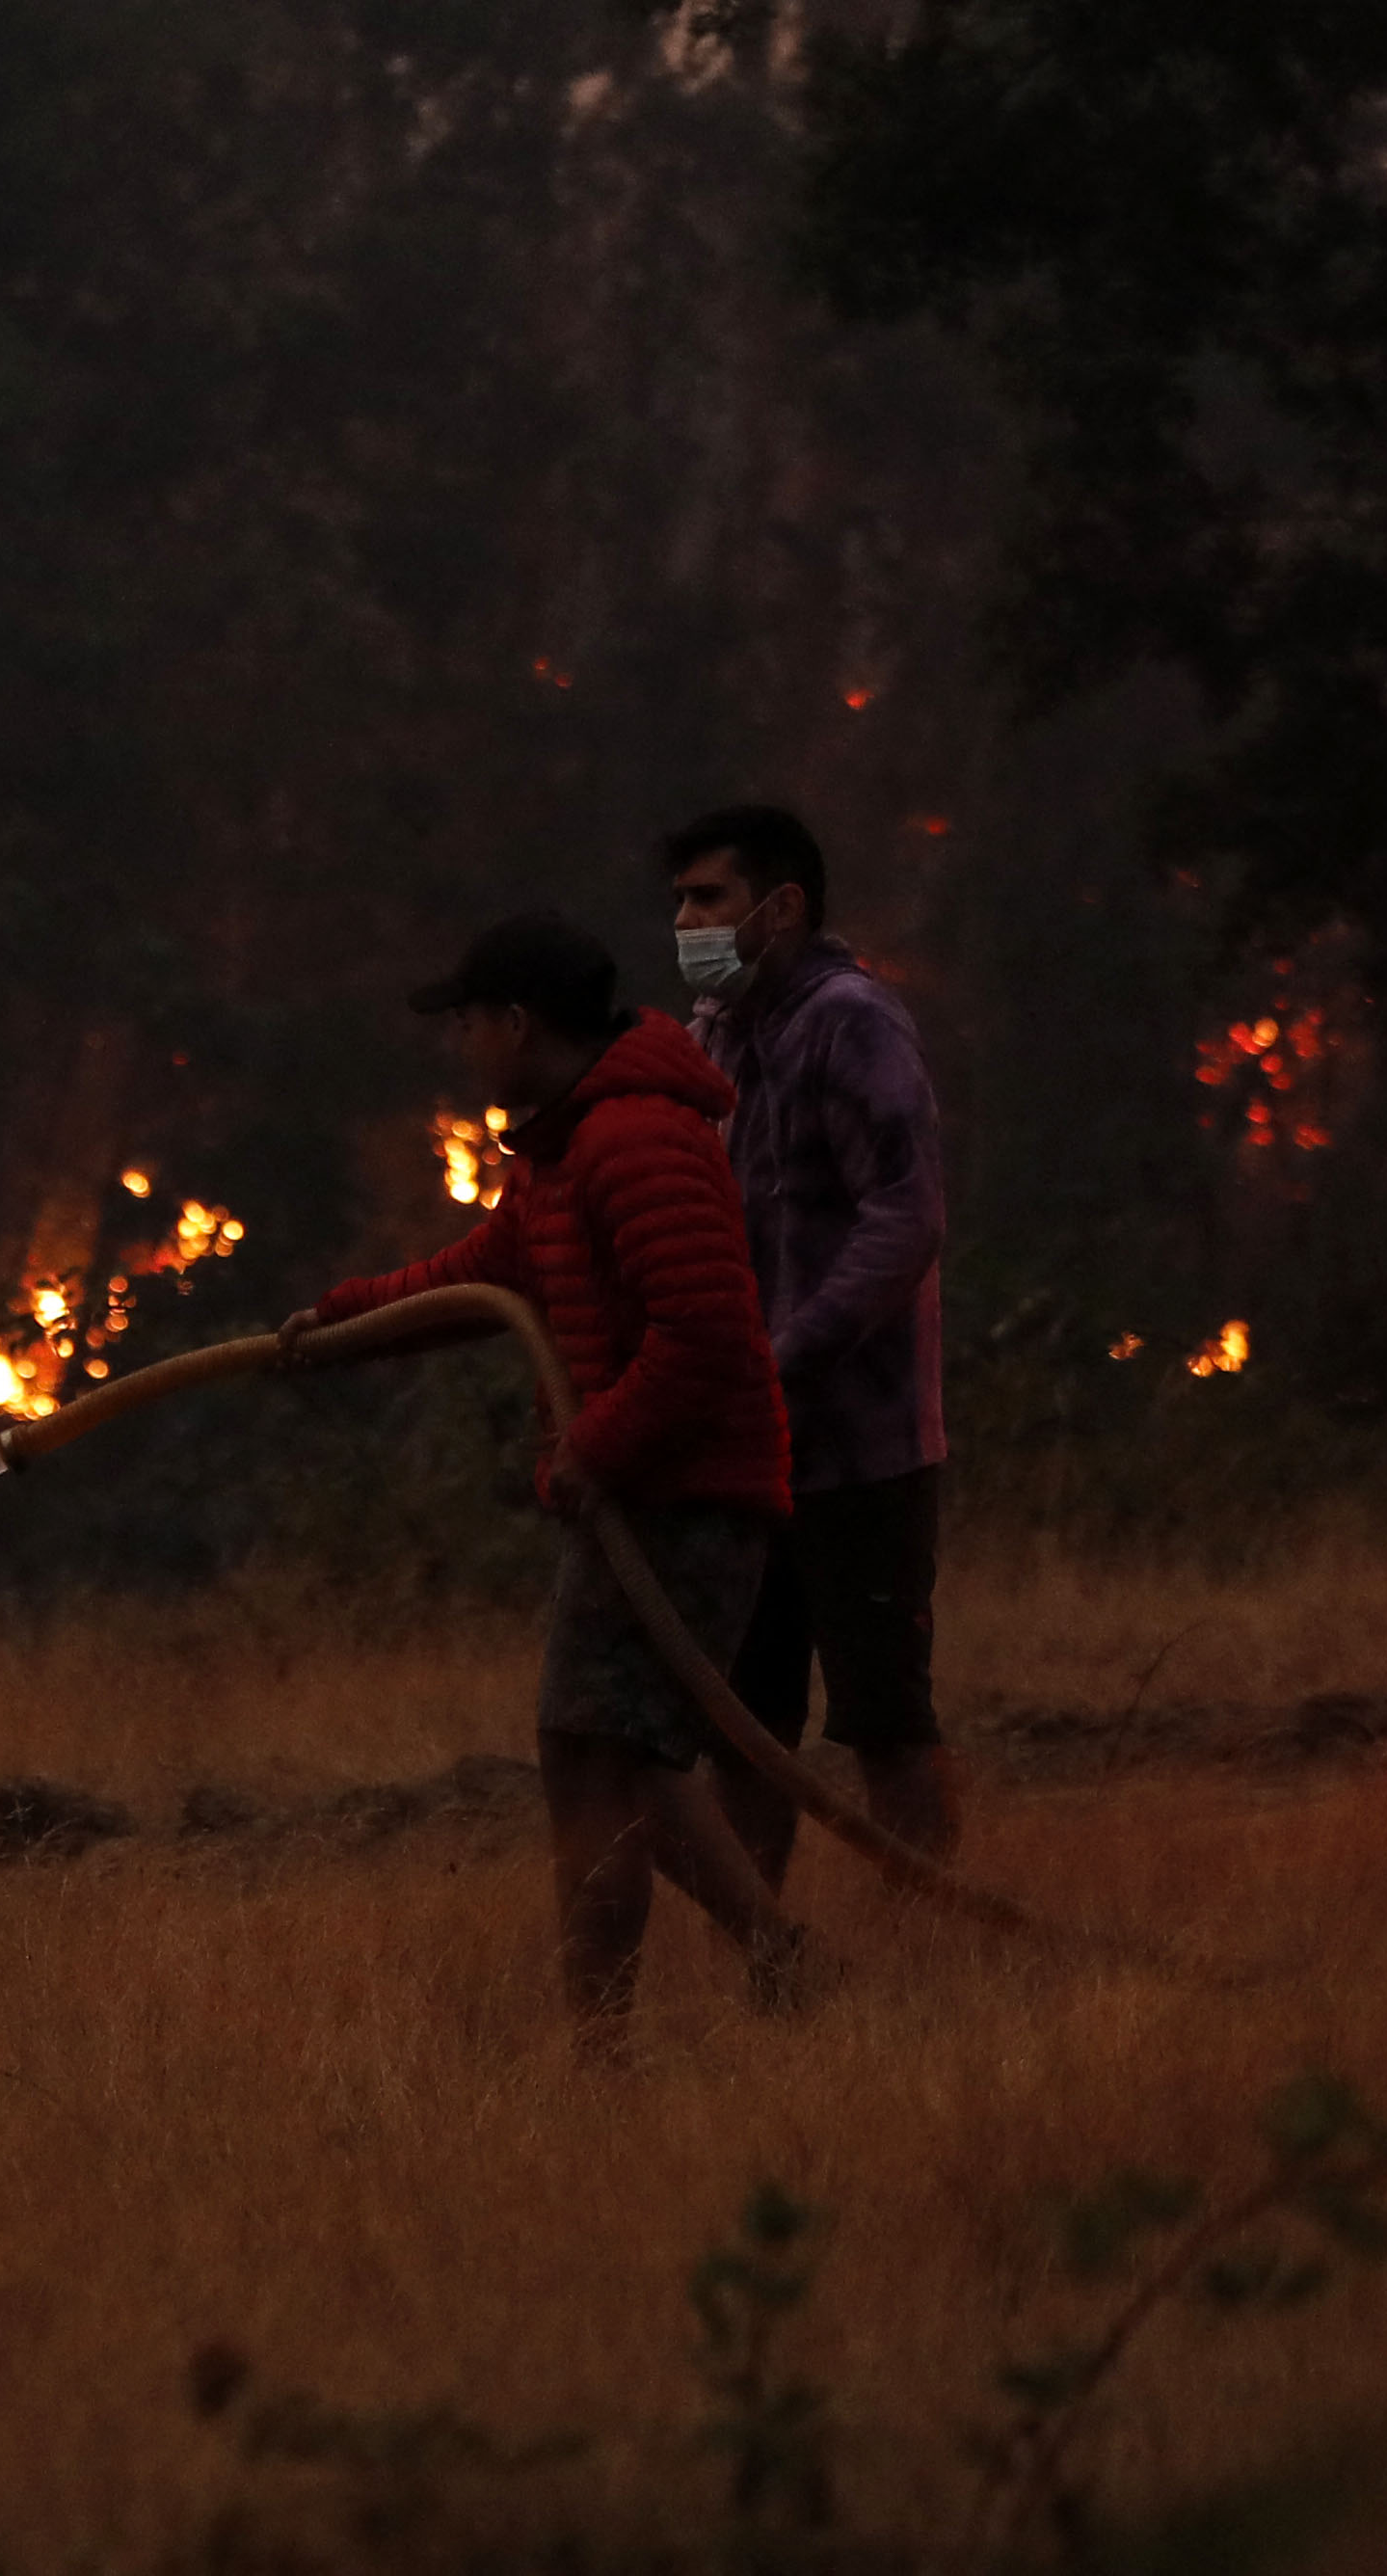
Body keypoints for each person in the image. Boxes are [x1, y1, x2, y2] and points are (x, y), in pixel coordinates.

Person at [283, 913, 810, 2039]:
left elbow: (706, 1334)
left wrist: (596, 1446)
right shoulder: (565, 1153)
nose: (461, 1046)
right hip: (651, 1491)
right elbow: (486, 1275)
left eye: (468, 1023)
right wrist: (341, 1324)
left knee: (589, 1763)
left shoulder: (636, 1143)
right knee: (623, 1755)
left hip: (683, 1498)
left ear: (517, 1024)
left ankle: (601, 2049)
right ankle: (784, 1964)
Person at [665, 802, 965, 1879]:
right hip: (750, 1452)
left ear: (781, 907)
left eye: (709, 899)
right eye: (681, 903)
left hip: (861, 1446)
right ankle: (765, 1965)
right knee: (746, 1730)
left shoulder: (854, 1022)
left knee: (885, 1720)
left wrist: (789, 1353)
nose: (688, 922)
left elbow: (906, 1215)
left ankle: (931, 1950)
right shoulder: (714, 1035)